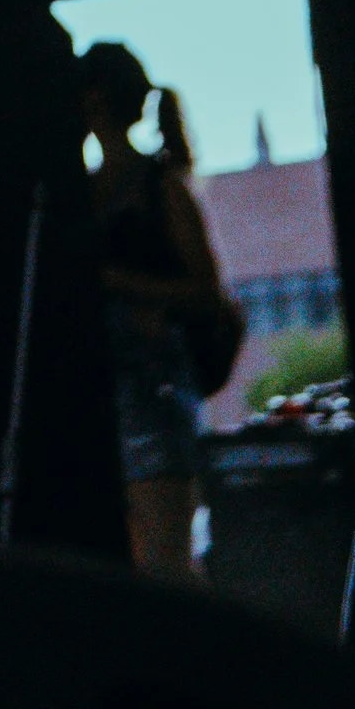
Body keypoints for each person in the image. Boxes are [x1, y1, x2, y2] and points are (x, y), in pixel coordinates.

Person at [80, 40, 238, 578]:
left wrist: (112, 282)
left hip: (153, 393)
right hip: (114, 393)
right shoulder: (89, 189)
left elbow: (205, 292)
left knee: (164, 560)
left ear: (95, 100)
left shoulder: (157, 186)